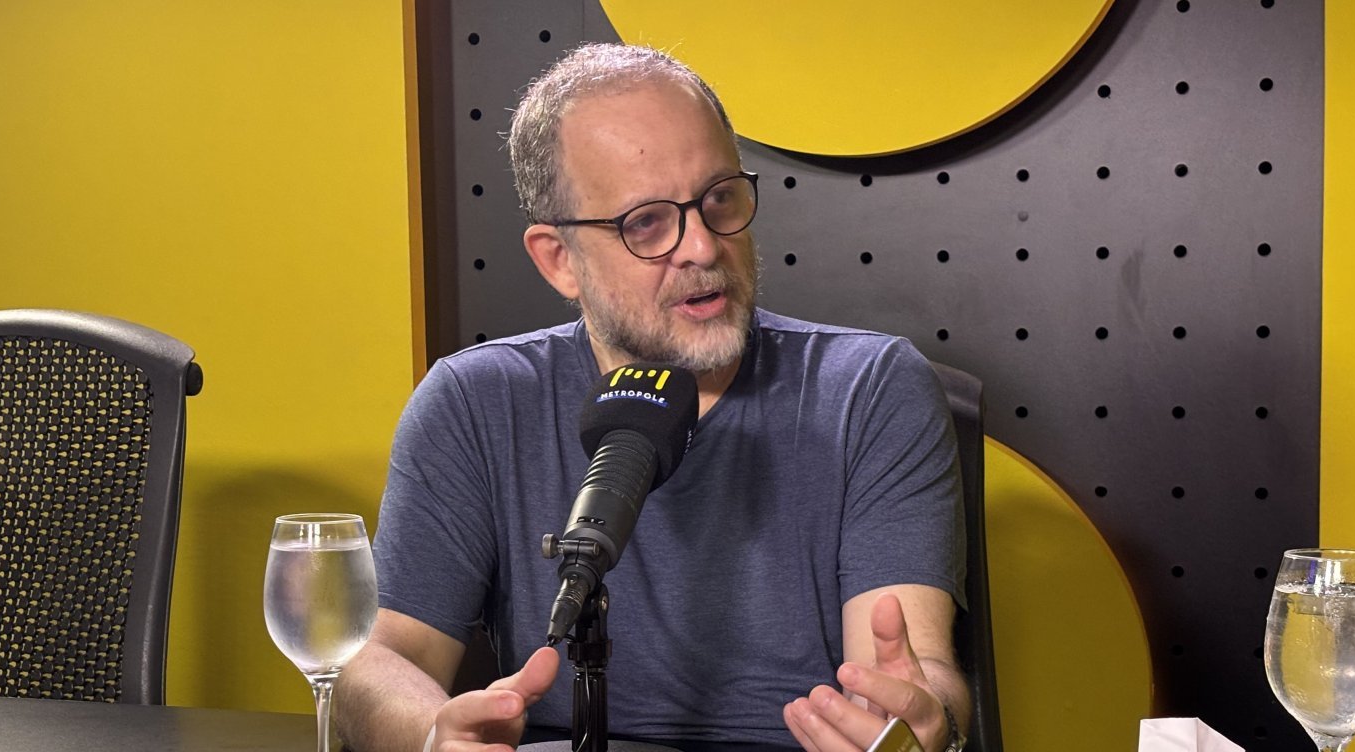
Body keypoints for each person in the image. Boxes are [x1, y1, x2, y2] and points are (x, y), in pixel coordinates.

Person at [335, 43, 971, 752]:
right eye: (647, 222)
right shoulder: (475, 402)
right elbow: (382, 658)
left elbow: (915, 669)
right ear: (558, 259)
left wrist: (922, 723)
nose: (702, 247)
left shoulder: (869, 389)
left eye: (719, 199)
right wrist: (433, 734)